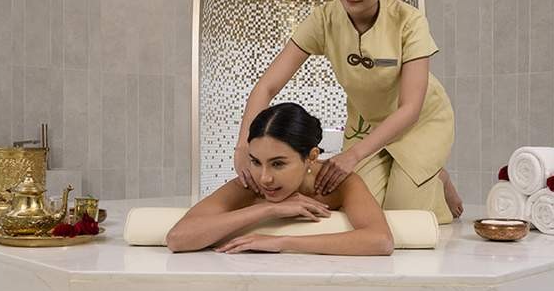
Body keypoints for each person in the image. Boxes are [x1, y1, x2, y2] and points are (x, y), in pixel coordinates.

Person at [232, 0, 463, 223]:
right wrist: (243, 146)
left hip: (420, 123)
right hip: (367, 124)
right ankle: (418, 172)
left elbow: (410, 108)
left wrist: (353, 155)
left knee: (401, 215)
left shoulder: (409, 22)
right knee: (351, 204)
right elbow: (267, 86)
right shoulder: (324, 20)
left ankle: (436, 177)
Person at [167, 103, 393, 255]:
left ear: (311, 157)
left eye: (278, 164)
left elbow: (380, 240)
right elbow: (178, 238)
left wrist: (282, 242)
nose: (265, 178)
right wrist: (267, 209)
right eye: (256, 161)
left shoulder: (339, 183)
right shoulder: (250, 184)